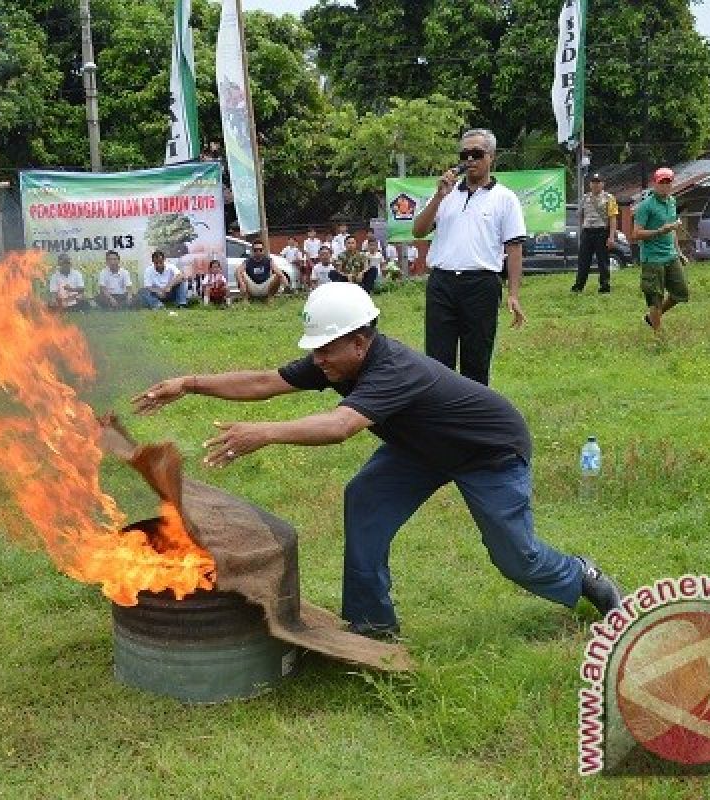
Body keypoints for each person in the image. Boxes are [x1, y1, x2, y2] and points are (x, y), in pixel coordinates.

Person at [130, 282, 623, 637]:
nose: (317, 360)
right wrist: (189, 383)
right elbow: (266, 381)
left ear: (360, 341)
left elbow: (341, 426)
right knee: (364, 497)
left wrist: (266, 434)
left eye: (326, 350)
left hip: (487, 452)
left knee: (516, 558)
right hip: (421, 449)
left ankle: (582, 576)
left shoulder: (393, 368)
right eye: (315, 350)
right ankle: (372, 621)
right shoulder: (337, 355)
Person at [412, 128, 527, 386]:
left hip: (481, 284)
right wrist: (439, 197)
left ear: (491, 157)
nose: (470, 160)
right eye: (465, 154)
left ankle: (473, 419)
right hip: (442, 284)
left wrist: (514, 294)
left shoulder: (505, 199)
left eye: (477, 153)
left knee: (476, 359)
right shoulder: (446, 195)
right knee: (438, 360)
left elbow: (514, 248)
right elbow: (419, 231)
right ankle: (441, 417)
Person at [633, 167, 689, 334]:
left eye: (668, 182)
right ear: (655, 184)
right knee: (654, 298)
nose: (665, 185)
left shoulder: (672, 202)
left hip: (670, 255)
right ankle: (658, 336)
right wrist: (659, 231)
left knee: (681, 293)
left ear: (672, 183)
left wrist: (679, 252)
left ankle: (652, 319)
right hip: (652, 259)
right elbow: (636, 233)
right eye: (661, 182)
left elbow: (672, 230)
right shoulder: (646, 206)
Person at [572, 173, 619, 294]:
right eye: (593, 182)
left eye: (598, 182)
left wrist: (611, 236)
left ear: (602, 184)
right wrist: (584, 227)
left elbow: (613, 218)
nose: (595, 185)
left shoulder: (609, 198)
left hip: (601, 232)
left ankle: (605, 286)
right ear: (590, 184)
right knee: (583, 261)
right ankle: (578, 286)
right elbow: (580, 215)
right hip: (587, 232)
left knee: (603, 261)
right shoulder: (584, 198)